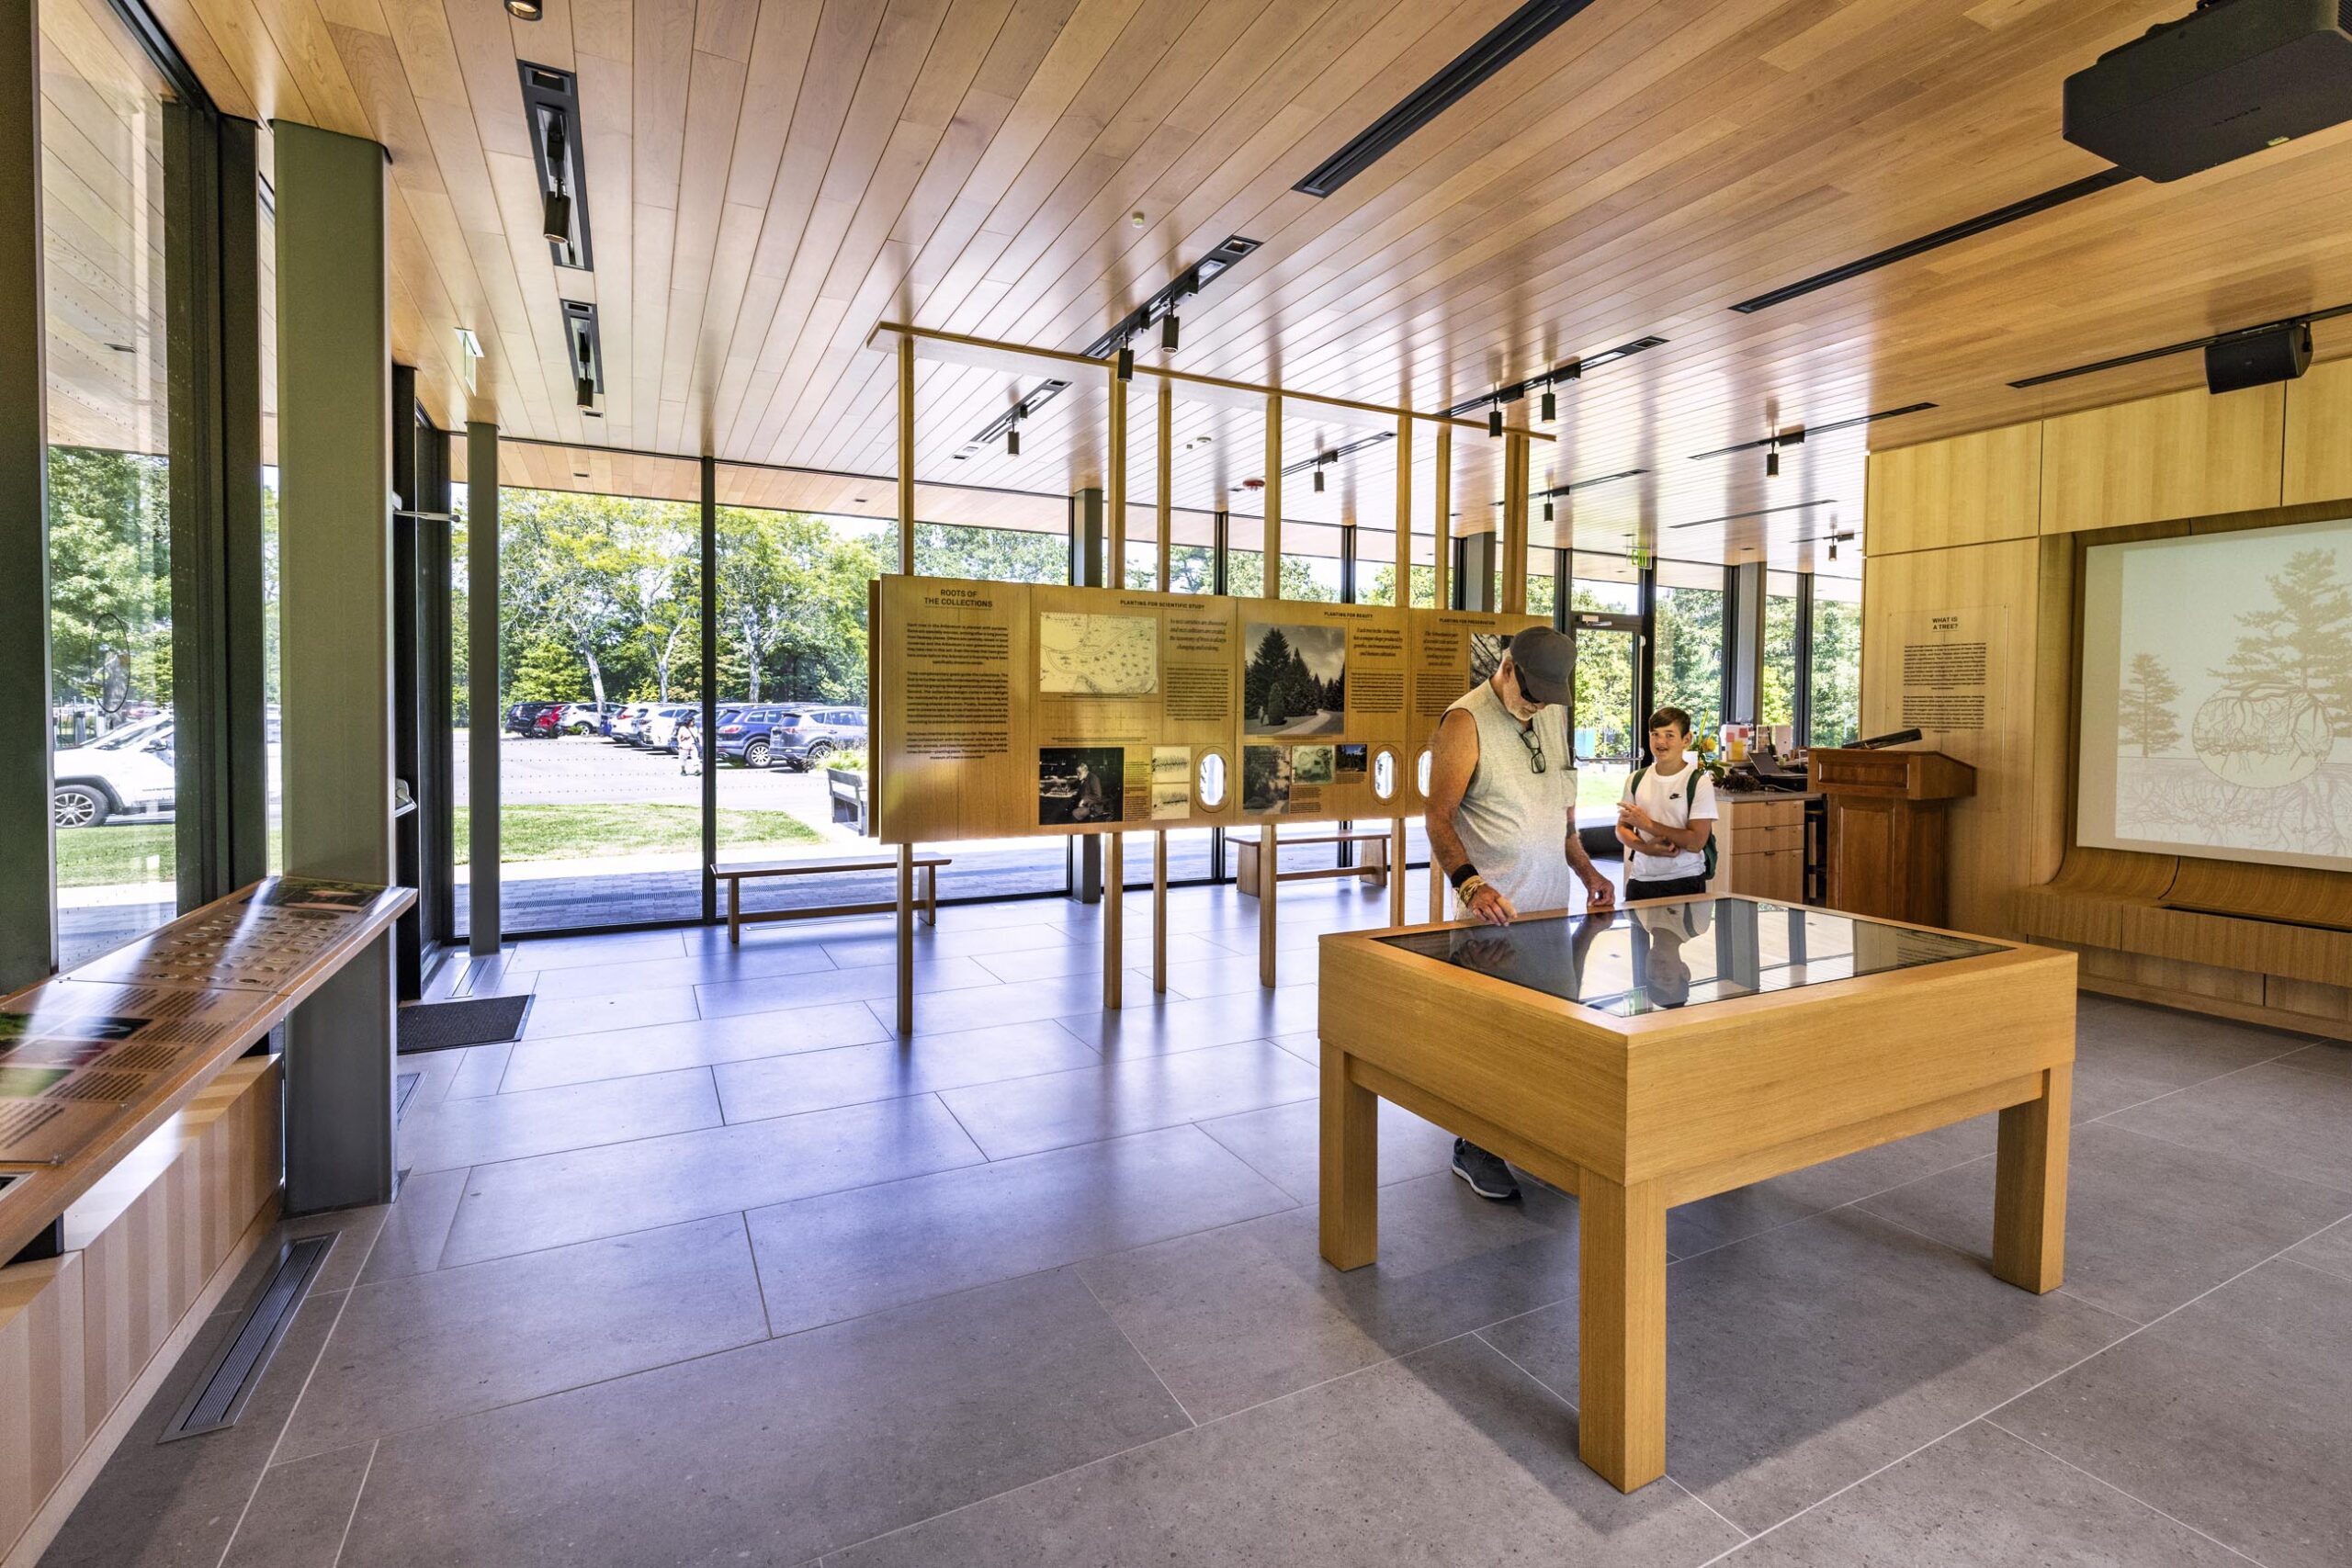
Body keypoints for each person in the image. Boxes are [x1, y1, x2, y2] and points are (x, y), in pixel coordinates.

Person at [1426, 625, 1615, 1201]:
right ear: (1507, 668)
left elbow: (1560, 815)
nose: (1535, 708)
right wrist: (1470, 886)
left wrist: (1587, 871)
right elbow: (1437, 817)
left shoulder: (1552, 714)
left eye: (1546, 700)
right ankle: (1474, 1146)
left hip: (1550, 913)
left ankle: (1537, 1138)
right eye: (1529, 695)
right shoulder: (1466, 721)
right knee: (1490, 1041)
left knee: (1549, 1037)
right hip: (1492, 916)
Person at [1616, 705, 1717, 901]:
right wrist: (1646, 849)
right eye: (1655, 734)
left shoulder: (1698, 782)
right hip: (1640, 880)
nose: (1660, 742)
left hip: (1684, 880)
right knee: (1638, 932)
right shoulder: (1635, 779)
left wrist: (1648, 825)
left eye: (1669, 735)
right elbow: (1622, 828)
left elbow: (1696, 842)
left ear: (1686, 740)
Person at [676, 710, 702, 775]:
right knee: (683, 758)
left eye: (693, 721)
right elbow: (679, 737)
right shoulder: (683, 728)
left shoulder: (695, 728)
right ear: (688, 722)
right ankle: (683, 770)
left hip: (693, 745)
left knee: (695, 758)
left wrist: (700, 743)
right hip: (684, 745)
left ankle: (697, 770)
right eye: (691, 721)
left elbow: (697, 736)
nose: (693, 722)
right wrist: (680, 743)